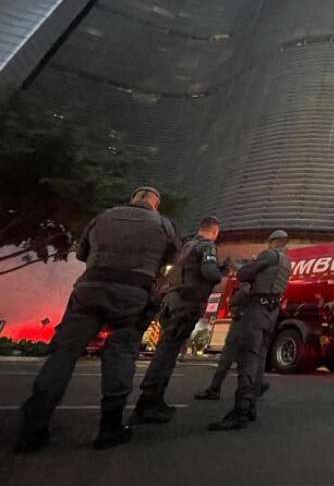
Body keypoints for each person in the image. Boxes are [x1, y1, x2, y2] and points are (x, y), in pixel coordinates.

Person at [16, 187, 179, 452]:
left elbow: (81, 253)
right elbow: (172, 258)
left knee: (63, 355)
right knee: (121, 355)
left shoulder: (103, 217)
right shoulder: (162, 224)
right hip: (133, 293)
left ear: (132, 199)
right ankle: (110, 428)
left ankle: (32, 428)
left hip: (91, 288)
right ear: (155, 204)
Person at [132, 216, 223, 423]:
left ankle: (150, 399)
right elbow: (210, 273)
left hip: (171, 301)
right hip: (187, 303)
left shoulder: (187, 245)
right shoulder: (207, 246)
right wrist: (222, 272)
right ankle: (150, 402)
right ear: (215, 231)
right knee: (168, 353)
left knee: (164, 349)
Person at [208, 229, 291, 431]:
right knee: (260, 359)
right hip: (272, 314)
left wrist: (246, 266)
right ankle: (251, 405)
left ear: (271, 241)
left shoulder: (268, 255)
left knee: (247, 359)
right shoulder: (287, 262)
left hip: (256, 311)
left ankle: (241, 410)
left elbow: (244, 274)